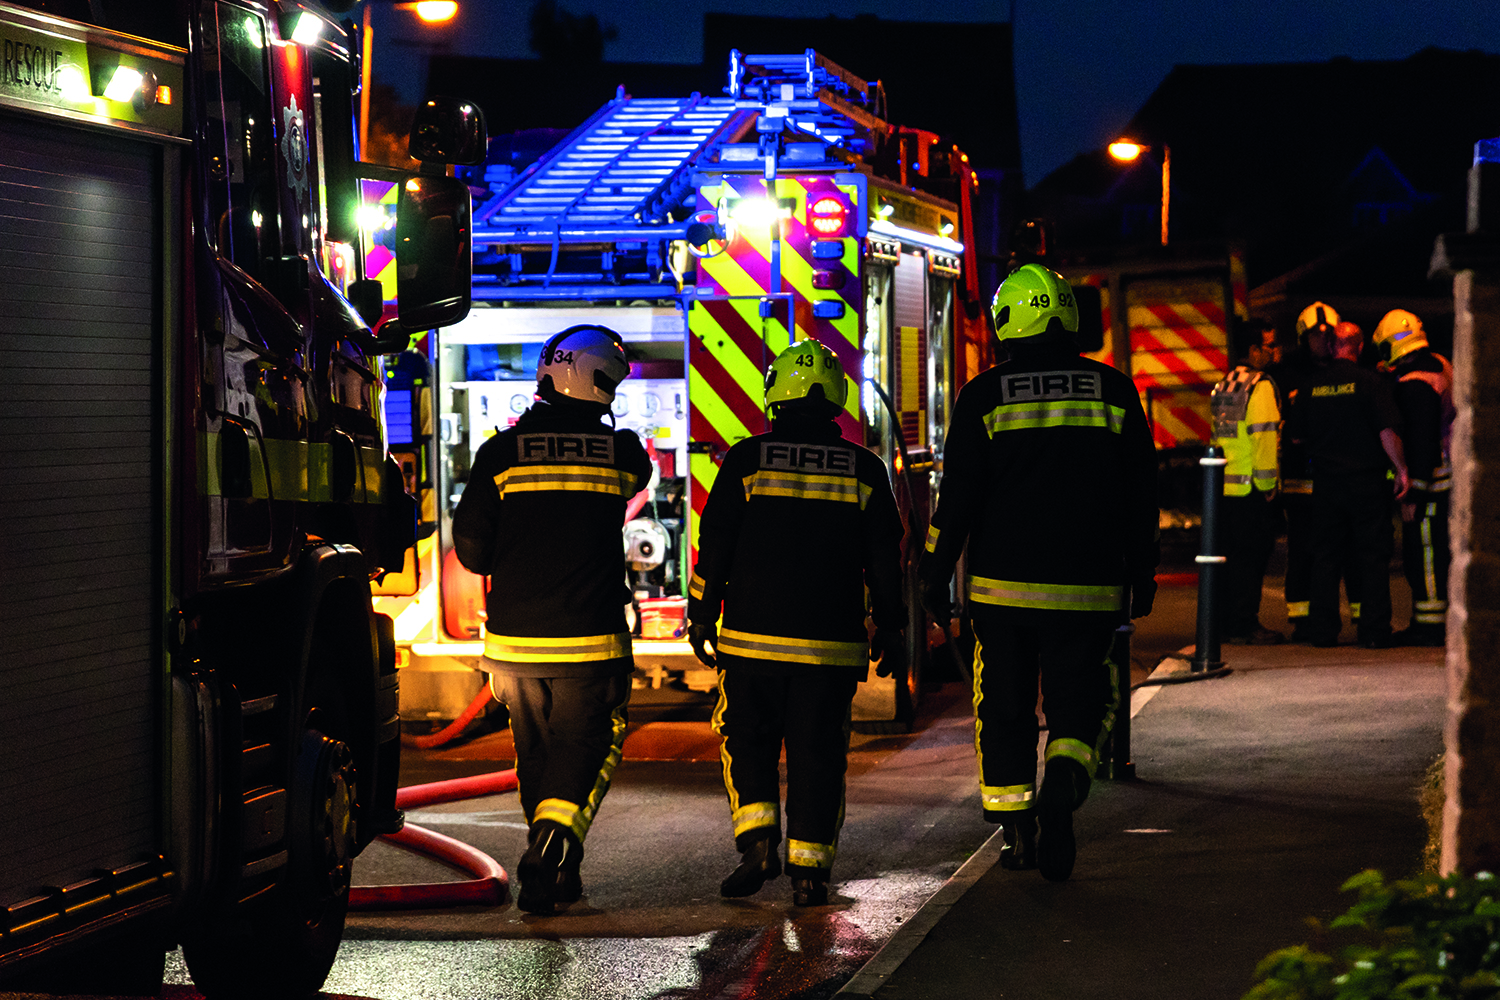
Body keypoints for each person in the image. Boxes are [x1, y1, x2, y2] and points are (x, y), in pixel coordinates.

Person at [918, 264, 1159, 882]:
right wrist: (1144, 571)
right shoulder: (1114, 389)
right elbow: (1140, 493)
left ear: (1006, 324)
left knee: (1003, 708)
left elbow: (958, 503)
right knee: (1082, 705)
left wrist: (932, 574)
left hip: (1001, 596)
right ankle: (1066, 785)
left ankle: (1017, 827)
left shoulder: (983, 395)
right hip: (1090, 590)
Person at [684, 339, 906, 907]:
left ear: (774, 397)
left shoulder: (746, 458)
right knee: (818, 753)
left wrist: (702, 613)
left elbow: (716, 547)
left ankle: (758, 843)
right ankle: (810, 873)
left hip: (751, 643)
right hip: (829, 650)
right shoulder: (865, 468)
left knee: (747, 741)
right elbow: (885, 557)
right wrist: (893, 627)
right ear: (837, 399)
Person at [452, 325, 652, 914]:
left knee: (535, 753)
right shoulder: (623, 454)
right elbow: (637, 482)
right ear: (599, 386)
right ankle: (549, 848)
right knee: (587, 745)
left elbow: (472, 551)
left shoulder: (498, 454)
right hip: (590, 644)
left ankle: (559, 874)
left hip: (512, 649)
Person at [1286, 319, 1408, 648]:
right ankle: (1374, 632)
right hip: (1366, 484)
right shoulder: (1371, 383)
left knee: (1325, 557)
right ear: (1360, 346)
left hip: (1326, 486)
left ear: (1331, 347)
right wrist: (1401, 469)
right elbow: (1387, 432)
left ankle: (1323, 633)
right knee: (1372, 556)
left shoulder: (1312, 385)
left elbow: (1295, 436)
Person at [1373, 309, 1454, 647]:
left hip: (1428, 483)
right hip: (1446, 473)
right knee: (1436, 549)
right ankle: (1432, 619)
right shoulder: (1440, 365)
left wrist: (1413, 493)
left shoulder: (1412, 385)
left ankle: (1430, 625)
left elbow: (1419, 442)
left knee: (1424, 552)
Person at [1212, 317, 1284, 645]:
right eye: (1269, 345)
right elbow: (1264, 438)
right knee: (1250, 561)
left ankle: (1227, 623)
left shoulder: (1226, 383)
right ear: (1254, 350)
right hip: (1253, 489)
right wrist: (1269, 487)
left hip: (1226, 487)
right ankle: (1245, 623)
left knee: (1230, 560)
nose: (1273, 351)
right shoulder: (1261, 385)